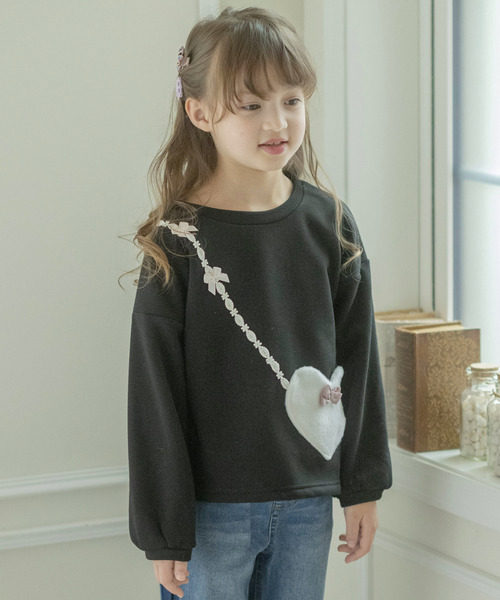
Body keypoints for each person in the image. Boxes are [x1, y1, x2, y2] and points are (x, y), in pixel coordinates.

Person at [125, 6, 392, 600]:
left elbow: (359, 358)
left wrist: (363, 485)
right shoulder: (178, 240)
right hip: (210, 517)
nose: (277, 121)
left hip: (307, 506)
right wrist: (165, 532)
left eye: (291, 100)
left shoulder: (330, 223)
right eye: (250, 105)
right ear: (200, 113)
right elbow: (154, 392)